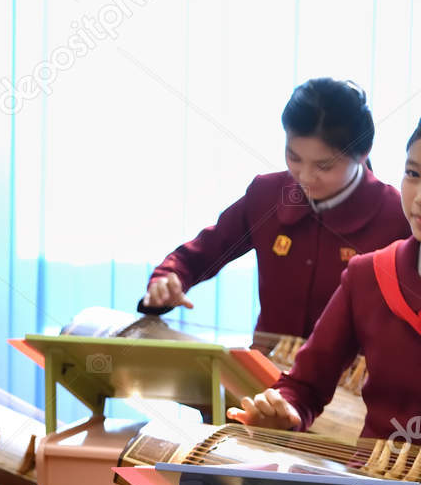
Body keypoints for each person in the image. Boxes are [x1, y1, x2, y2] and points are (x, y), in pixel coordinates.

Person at [142, 78, 407, 339]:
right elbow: (200, 253)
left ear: (363, 153)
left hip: (353, 381)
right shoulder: (267, 194)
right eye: (294, 157)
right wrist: (167, 279)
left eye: (324, 166)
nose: (304, 176)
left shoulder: (398, 216)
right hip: (264, 373)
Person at [230, 118, 421, 442]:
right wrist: (285, 410)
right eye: (414, 174)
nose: (418, 198)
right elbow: (304, 387)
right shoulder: (370, 275)